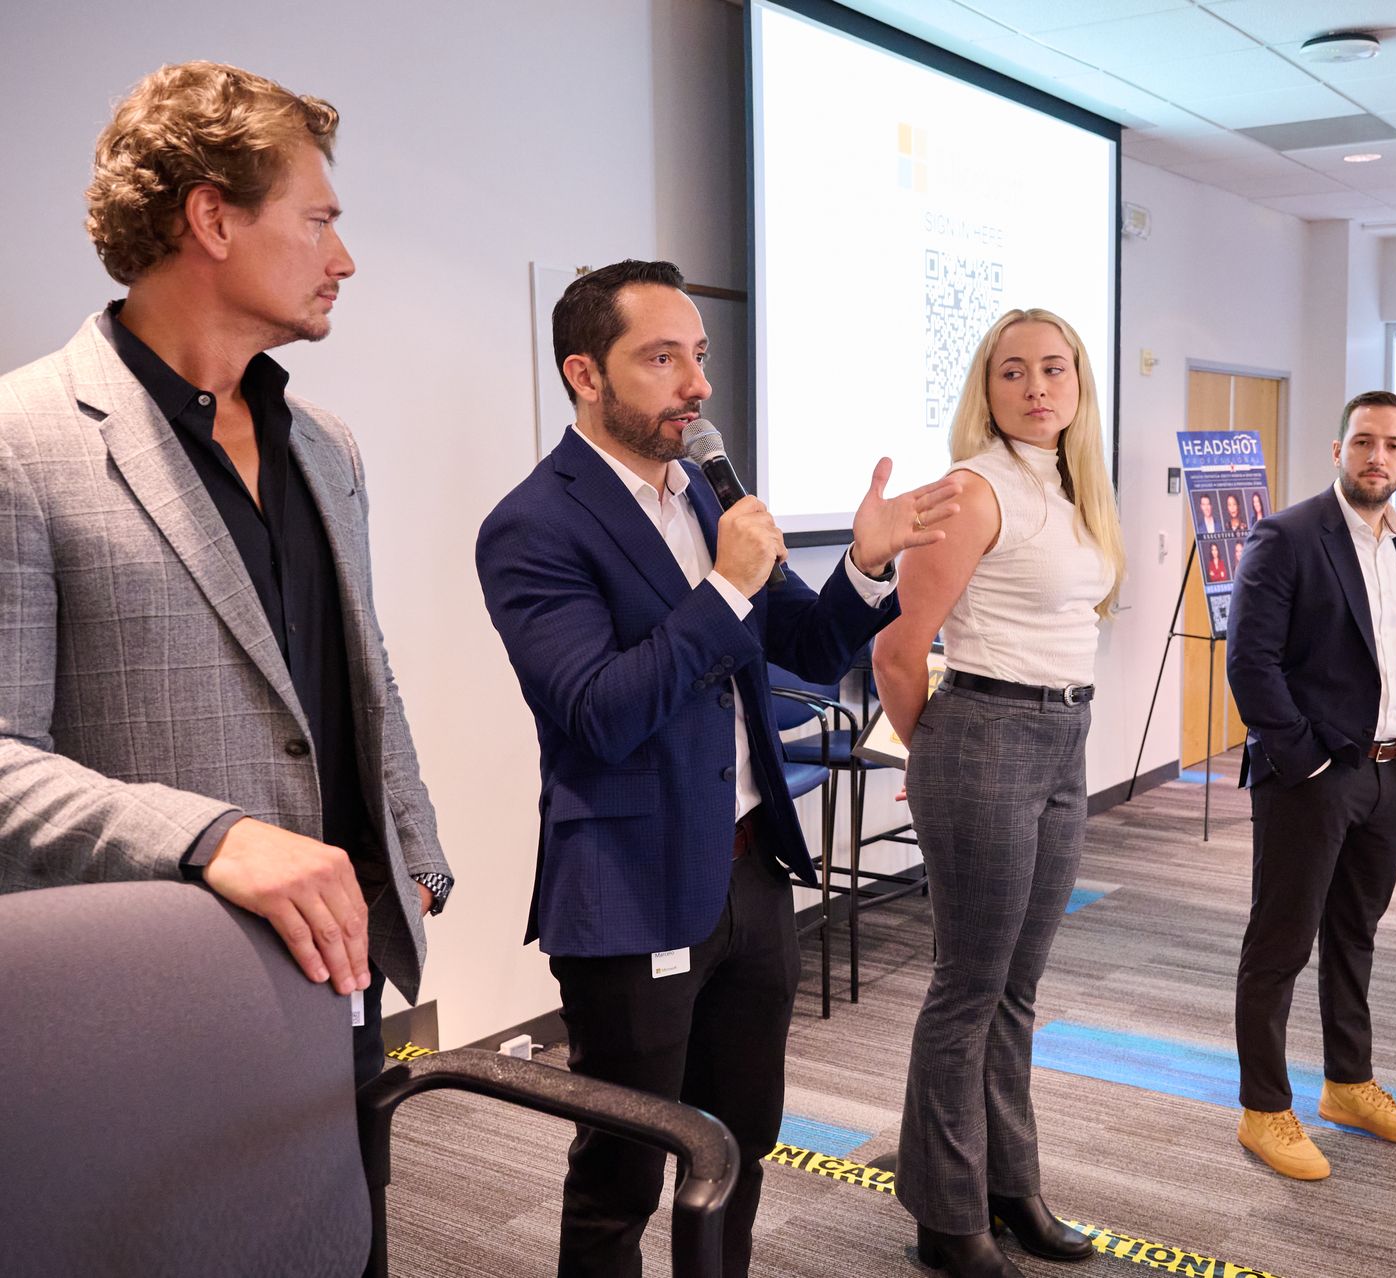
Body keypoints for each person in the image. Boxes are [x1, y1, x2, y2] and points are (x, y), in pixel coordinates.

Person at [474, 259, 957, 1278]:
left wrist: (863, 567)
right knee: (625, 1168)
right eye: (662, 358)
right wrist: (727, 589)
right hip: (631, 887)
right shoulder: (533, 526)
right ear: (585, 374)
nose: (696, 383)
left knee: (739, 1138)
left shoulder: (704, 493)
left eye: (699, 356)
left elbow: (809, 647)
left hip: (749, 868)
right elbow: (599, 714)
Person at [0, 61, 451, 1088]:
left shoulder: (325, 448)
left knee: (354, 1242)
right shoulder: (20, 442)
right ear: (212, 219)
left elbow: (360, 670)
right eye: (317, 220)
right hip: (151, 1005)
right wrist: (213, 839)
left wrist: (416, 860)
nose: (343, 258)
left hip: (345, 969)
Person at [874, 308, 1124, 1278]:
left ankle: (1009, 1187)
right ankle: (947, 1218)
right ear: (985, 388)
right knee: (966, 989)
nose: (1035, 387)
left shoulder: (1070, 490)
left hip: (1065, 738)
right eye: (1012, 371)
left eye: (1053, 369)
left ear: (1078, 384)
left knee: (1017, 989)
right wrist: (934, 753)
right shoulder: (974, 490)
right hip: (984, 732)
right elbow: (897, 648)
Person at [1225, 390, 1396, 1182]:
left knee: (1355, 936)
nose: (1377, 457)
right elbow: (1249, 663)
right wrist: (1309, 762)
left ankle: (1347, 1084)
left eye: (1393, 445)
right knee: (1280, 945)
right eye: (1364, 441)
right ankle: (1265, 1109)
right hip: (1314, 778)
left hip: (1392, 776)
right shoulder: (1287, 536)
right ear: (1338, 450)